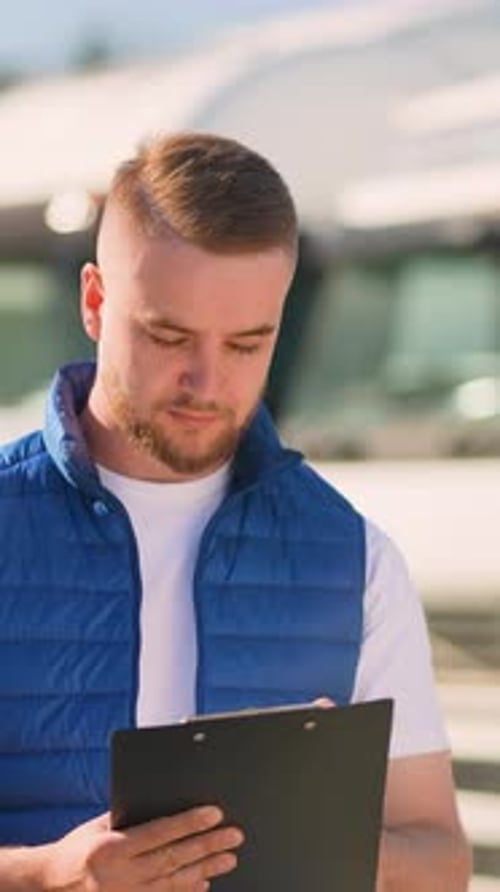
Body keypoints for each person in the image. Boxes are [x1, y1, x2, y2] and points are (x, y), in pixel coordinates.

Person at [0, 132, 470, 891]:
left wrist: (314, 827)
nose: (207, 381)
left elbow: (440, 862)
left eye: (249, 344)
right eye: (168, 335)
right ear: (94, 301)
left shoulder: (353, 557)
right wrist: (45, 874)